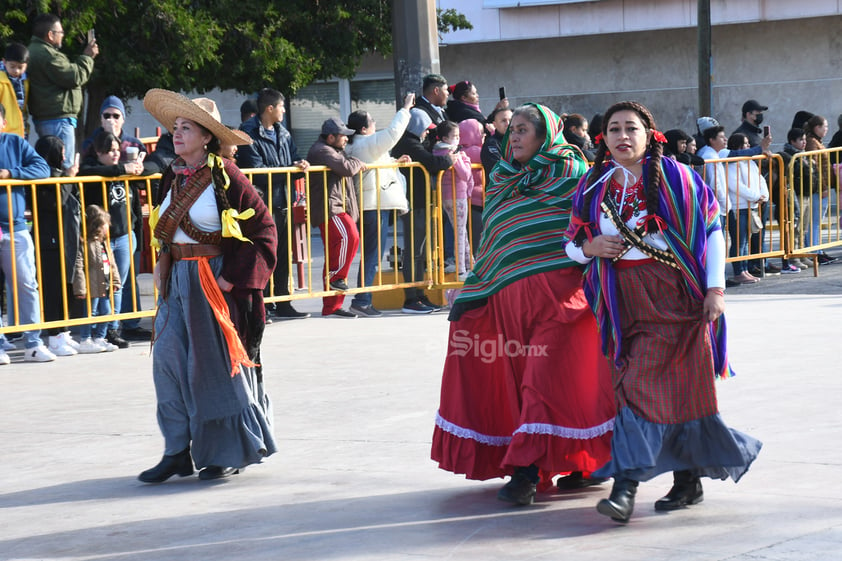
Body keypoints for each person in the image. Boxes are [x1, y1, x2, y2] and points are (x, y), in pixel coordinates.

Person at [564, 100, 762, 524]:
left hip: (677, 296)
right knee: (666, 393)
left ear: (648, 134)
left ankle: (625, 488)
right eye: (613, 129)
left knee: (641, 391)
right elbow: (571, 242)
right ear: (603, 138)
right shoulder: (594, 185)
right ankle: (688, 480)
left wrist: (715, 289)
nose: (621, 136)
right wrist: (589, 248)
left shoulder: (679, 178)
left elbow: (712, 231)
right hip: (623, 303)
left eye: (630, 128)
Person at [431, 103, 615, 506]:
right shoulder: (501, 177)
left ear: (546, 133)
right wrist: (474, 291)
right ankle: (581, 463)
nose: (513, 136)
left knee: (544, 381)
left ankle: (527, 473)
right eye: (510, 129)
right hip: (509, 302)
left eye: (523, 129)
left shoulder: (574, 174)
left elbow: (588, 231)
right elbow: (496, 243)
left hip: (563, 301)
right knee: (524, 385)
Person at [138, 89, 277, 482]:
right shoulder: (171, 176)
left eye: (187, 128)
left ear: (207, 138)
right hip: (176, 283)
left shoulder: (226, 175)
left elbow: (264, 230)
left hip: (212, 281)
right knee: (167, 364)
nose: (177, 134)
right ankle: (177, 450)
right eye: (175, 127)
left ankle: (223, 452)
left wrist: (231, 278)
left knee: (210, 369)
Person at [80, 95, 153, 341]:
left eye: (116, 115)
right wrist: (121, 169)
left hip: (124, 228)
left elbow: (151, 168)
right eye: (106, 115)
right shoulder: (92, 143)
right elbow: (86, 170)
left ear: (123, 118)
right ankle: (95, 330)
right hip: (100, 232)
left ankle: (116, 327)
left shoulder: (132, 143)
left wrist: (139, 167)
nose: (111, 120)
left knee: (120, 281)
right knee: (100, 283)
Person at [237, 88, 311, 320]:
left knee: (281, 254)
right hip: (261, 203)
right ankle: (263, 304)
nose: (284, 110)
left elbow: (291, 160)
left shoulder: (284, 133)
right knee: (261, 254)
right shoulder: (248, 133)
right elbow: (257, 171)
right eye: (281, 106)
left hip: (283, 201)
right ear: (270, 108)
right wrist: (288, 170)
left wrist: (300, 167)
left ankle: (283, 301)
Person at [345, 94, 414, 317]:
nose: (375, 123)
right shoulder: (365, 143)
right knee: (372, 255)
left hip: (372, 204)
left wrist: (394, 162)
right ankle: (362, 300)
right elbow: (393, 133)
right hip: (373, 206)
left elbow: (376, 162)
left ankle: (363, 299)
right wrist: (405, 108)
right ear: (364, 129)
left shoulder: (361, 145)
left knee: (370, 254)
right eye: (372, 121)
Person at [0, 101, 54, 363]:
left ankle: (33, 342)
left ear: (2, 121)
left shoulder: (14, 143)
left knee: (27, 284)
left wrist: (11, 173)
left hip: (16, 227)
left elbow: (42, 169)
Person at [391, 109, 455, 314]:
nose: (428, 133)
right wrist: (450, 158)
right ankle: (411, 298)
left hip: (420, 202)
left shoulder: (415, 143)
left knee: (420, 252)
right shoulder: (408, 144)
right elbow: (434, 162)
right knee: (414, 252)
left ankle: (419, 294)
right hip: (414, 203)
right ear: (416, 127)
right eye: (425, 129)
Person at [306, 117, 366, 318]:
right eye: (343, 136)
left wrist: (351, 161)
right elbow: (347, 168)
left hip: (337, 206)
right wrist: (357, 161)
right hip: (329, 208)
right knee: (350, 237)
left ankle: (332, 306)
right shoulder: (322, 150)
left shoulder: (334, 150)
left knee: (334, 254)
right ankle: (336, 279)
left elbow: (345, 166)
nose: (347, 140)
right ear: (330, 137)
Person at [27, 14, 98, 172]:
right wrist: (87, 57)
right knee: (64, 167)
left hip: (51, 119)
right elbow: (75, 76)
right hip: (57, 121)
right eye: (61, 33)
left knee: (55, 167)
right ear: (50, 35)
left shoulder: (37, 51)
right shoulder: (47, 55)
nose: (63, 36)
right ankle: (63, 197)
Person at [33, 135, 83, 356]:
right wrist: (69, 178)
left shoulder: (61, 175)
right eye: (61, 151)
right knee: (53, 290)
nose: (64, 156)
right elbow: (56, 202)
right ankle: (54, 336)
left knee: (68, 287)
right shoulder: (42, 177)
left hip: (67, 238)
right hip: (48, 240)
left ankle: (63, 332)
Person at [73, 204, 120, 353]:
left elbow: (112, 264)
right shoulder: (85, 243)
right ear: (97, 226)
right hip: (92, 286)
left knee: (106, 311)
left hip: (105, 284)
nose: (109, 227)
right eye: (106, 225)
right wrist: (81, 288)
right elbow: (79, 267)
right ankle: (85, 339)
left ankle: (100, 337)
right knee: (90, 313)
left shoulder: (104, 243)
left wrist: (115, 280)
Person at [724, 132, 768, 284]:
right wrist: (755, 196)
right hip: (739, 206)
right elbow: (735, 184)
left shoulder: (750, 162)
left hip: (752, 205)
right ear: (737, 146)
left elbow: (760, 179)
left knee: (746, 240)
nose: (748, 146)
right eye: (745, 144)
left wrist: (763, 195)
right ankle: (738, 271)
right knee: (739, 241)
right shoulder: (732, 163)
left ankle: (744, 269)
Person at [433, 120, 474, 279]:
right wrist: (465, 160)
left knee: (460, 230)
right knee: (460, 233)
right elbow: (465, 174)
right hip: (458, 195)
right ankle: (461, 269)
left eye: (458, 136)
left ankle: (469, 262)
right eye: (454, 136)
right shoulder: (452, 153)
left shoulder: (437, 151)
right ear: (444, 138)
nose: (457, 139)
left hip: (446, 197)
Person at [803, 114, 837, 265]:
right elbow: (814, 168)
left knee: (817, 221)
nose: (827, 129)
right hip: (817, 189)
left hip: (822, 187)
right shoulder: (811, 142)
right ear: (817, 128)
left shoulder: (816, 141)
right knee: (814, 222)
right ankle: (814, 251)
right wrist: (822, 188)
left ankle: (817, 250)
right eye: (825, 126)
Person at [458, 118, 486, 255]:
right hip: (476, 199)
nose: (483, 136)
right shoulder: (474, 151)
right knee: (476, 235)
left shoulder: (462, 150)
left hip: (471, 198)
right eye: (480, 132)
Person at [0, 42, 29, 138]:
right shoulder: (1, 81)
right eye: (12, 66)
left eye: (20, 67)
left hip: (22, 131)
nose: (16, 70)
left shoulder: (25, 80)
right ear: (4, 62)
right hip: (5, 132)